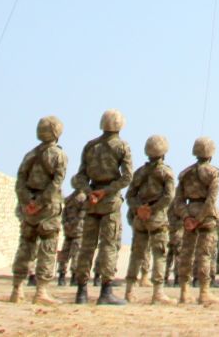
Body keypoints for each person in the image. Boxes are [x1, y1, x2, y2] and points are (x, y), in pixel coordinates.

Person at [70, 109, 133, 306]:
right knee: (109, 245)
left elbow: (79, 176)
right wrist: (106, 191)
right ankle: (106, 291)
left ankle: (81, 291)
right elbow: (127, 176)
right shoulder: (122, 146)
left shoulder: (90, 146)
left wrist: (89, 192)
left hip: (92, 202)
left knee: (86, 246)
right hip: (109, 202)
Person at [11, 116, 68, 305]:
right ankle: (41, 291)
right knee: (47, 248)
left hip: (29, 209)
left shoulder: (30, 155)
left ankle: (17, 289)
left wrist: (28, 202)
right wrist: (41, 202)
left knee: (25, 246)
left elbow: (20, 181)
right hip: (48, 209)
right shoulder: (59, 156)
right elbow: (56, 183)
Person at [124, 135, 177, 304]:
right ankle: (158, 293)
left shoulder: (139, 172)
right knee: (159, 254)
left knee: (137, 254)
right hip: (157, 217)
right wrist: (152, 209)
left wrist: (139, 209)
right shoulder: (166, 172)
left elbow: (130, 195)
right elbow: (169, 196)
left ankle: (129, 291)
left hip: (140, 217)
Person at [174, 136, 219, 306]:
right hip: (206, 216)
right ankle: (204, 292)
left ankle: (184, 292)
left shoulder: (185, 174)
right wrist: (199, 219)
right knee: (205, 254)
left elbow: (177, 200)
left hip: (189, 214)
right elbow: (211, 200)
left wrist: (187, 217)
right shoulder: (213, 173)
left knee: (186, 253)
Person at [58, 188, 86, 286]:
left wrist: (66, 223)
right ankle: (74, 277)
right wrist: (74, 222)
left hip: (68, 229)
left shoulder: (69, 198)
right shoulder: (83, 198)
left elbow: (64, 213)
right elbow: (82, 214)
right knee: (76, 254)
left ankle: (61, 276)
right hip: (78, 230)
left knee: (64, 253)